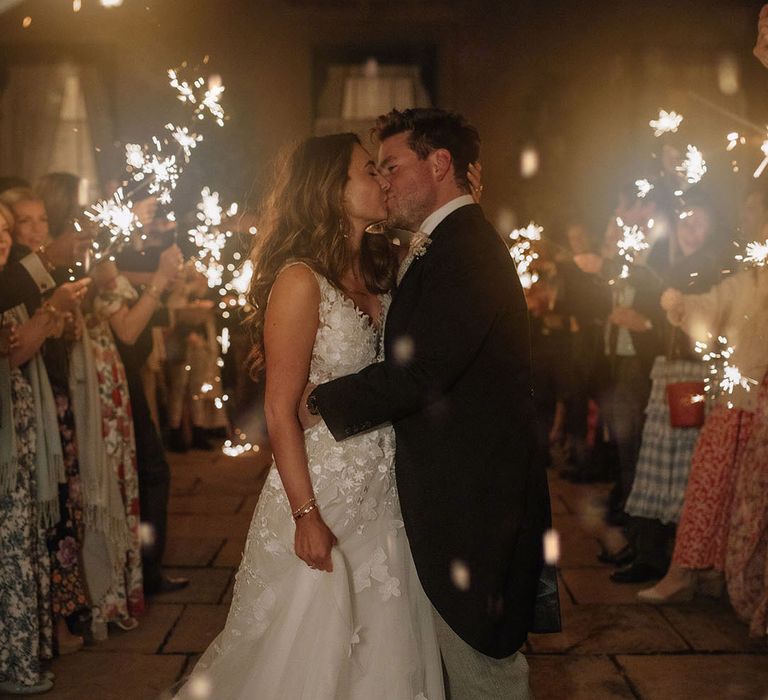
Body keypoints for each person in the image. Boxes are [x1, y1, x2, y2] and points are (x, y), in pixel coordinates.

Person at [176, 132, 448, 700]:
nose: (382, 180)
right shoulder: (300, 281)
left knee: (387, 637)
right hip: (325, 485)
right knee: (309, 649)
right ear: (329, 188)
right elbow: (279, 409)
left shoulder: (382, 268)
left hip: (387, 487)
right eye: (367, 171)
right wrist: (305, 514)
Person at [304, 109, 556, 699]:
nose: (384, 179)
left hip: (472, 503)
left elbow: (423, 373)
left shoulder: (464, 249)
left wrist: (320, 400)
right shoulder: (441, 244)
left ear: (439, 164)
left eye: (393, 166)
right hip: (451, 492)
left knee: (483, 668)